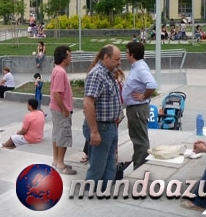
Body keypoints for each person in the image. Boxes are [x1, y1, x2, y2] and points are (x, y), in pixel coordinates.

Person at [82, 45, 122, 187]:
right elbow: (88, 103)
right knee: (98, 167)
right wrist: (94, 131)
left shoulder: (109, 73)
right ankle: (89, 195)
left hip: (110, 126)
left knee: (110, 165)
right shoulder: (97, 74)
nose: (119, 62)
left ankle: (104, 191)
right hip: (100, 127)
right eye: (116, 59)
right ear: (106, 57)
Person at [123, 42, 157, 169]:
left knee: (140, 138)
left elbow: (152, 84)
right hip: (134, 108)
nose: (125, 55)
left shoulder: (140, 69)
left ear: (132, 54)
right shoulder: (137, 67)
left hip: (138, 108)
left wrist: (144, 96)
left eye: (127, 52)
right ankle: (137, 159)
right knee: (136, 136)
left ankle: (140, 165)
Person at [50, 45, 75, 175]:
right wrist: (65, 109)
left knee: (57, 134)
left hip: (56, 109)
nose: (71, 58)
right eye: (69, 56)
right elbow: (57, 93)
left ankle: (56, 161)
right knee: (63, 135)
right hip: (61, 110)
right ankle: (60, 164)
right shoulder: (60, 72)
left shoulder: (57, 70)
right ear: (64, 58)